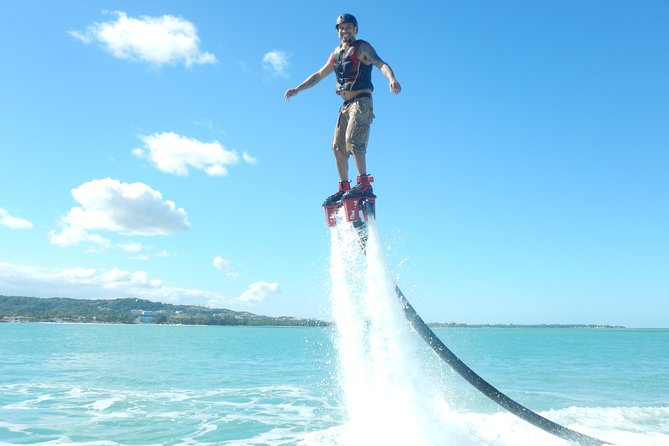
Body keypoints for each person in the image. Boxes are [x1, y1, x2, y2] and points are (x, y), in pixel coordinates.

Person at [284, 13, 401, 206]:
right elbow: (318, 75)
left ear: (355, 29)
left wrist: (392, 79)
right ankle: (344, 188)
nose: (344, 30)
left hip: (361, 101)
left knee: (353, 140)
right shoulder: (336, 53)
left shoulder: (362, 47)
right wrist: (297, 89)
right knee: (337, 147)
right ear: (338, 32)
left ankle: (364, 183)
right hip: (345, 106)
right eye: (341, 28)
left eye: (348, 27)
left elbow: (381, 64)